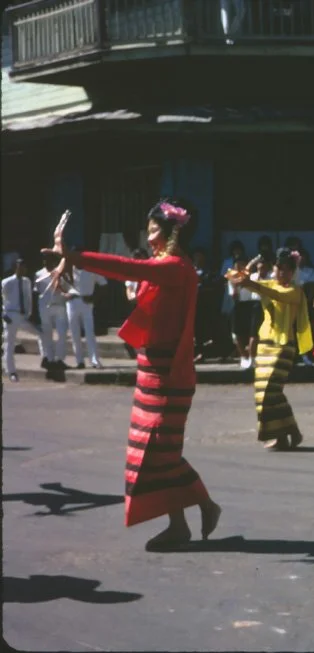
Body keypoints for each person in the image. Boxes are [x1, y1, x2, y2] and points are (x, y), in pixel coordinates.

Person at [42, 202, 221, 551]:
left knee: (160, 451)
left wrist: (76, 256)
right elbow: (137, 279)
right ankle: (181, 523)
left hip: (170, 373)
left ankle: (203, 506)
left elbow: (127, 267)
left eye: (154, 230)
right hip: (150, 370)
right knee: (152, 452)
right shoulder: (162, 267)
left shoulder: (175, 267)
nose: (149, 237)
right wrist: (71, 261)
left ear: (172, 234)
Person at [227, 248, 313, 451]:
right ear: (273, 268)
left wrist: (252, 284)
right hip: (265, 344)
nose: (282, 273)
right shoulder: (265, 284)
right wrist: (246, 272)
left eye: (286, 270)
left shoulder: (295, 291)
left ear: (293, 272)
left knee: (269, 392)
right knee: (263, 393)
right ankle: (282, 435)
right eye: (279, 268)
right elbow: (233, 277)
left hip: (284, 346)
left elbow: (275, 293)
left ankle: (292, 430)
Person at [2, 259, 41, 382]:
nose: (21, 269)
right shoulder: (6, 282)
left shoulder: (26, 281)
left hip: (23, 316)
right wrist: (3, 314)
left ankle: (47, 359)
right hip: (10, 314)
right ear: (15, 268)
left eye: (23, 267)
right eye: (19, 267)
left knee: (42, 333)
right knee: (10, 343)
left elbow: (28, 298)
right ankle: (11, 371)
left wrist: (29, 313)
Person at [65, 263, 107, 369]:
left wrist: (94, 298)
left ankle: (94, 360)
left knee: (89, 332)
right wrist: (64, 293)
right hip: (72, 301)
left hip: (86, 302)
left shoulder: (91, 269)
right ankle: (80, 361)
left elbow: (103, 284)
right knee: (75, 333)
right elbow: (57, 281)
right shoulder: (67, 268)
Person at [35, 253, 70, 372]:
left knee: (62, 333)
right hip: (45, 307)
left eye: (48, 260)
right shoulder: (38, 274)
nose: (46, 262)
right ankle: (48, 358)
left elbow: (66, 288)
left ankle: (59, 359)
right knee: (46, 334)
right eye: (44, 260)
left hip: (59, 306)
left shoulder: (60, 272)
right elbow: (36, 292)